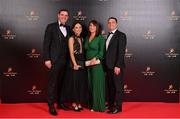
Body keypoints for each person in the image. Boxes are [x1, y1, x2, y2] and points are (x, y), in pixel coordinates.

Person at [43, 9, 71, 116]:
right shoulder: (51, 27)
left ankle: (60, 103)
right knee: (52, 84)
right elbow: (46, 44)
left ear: (68, 17)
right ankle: (51, 106)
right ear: (58, 15)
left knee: (62, 84)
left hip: (66, 61)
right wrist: (47, 59)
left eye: (66, 15)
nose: (64, 16)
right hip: (54, 60)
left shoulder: (68, 28)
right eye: (62, 14)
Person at [61, 22, 88, 111]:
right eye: (76, 27)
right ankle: (73, 102)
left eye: (80, 27)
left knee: (80, 83)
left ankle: (78, 102)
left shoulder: (82, 39)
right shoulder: (71, 39)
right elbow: (71, 53)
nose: (78, 29)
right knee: (74, 84)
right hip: (74, 63)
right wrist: (75, 64)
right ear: (73, 29)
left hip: (82, 62)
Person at [105, 17, 127, 114]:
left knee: (118, 88)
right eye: (109, 22)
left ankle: (118, 107)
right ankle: (110, 105)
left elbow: (121, 52)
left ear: (116, 24)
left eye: (113, 22)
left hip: (116, 66)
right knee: (110, 87)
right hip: (108, 66)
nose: (111, 24)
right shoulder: (107, 36)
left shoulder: (121, 35)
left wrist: (118, 65)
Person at [84, 20, 106, 112]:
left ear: (97, 27)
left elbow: (102, 52)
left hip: (96, 64)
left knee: (97, 85)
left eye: (93, 26)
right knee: (90, 84)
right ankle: (92, 105)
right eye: (90, 25)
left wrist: (95, 58)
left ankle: (98, 106)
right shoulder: (87, 37)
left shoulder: (100, 38)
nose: (91, 27)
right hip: (88, 65)